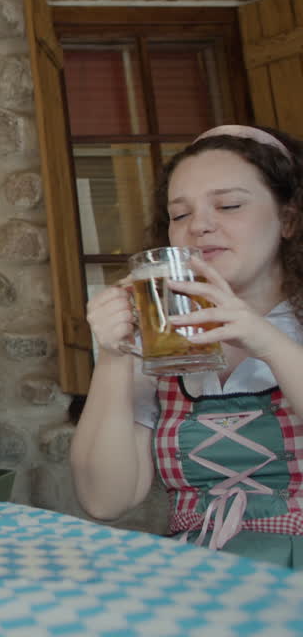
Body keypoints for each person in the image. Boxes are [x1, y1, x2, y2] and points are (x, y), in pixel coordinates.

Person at [70, 125, 303, 568]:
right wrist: (117, 355)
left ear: (288, 218)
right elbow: (104, 500)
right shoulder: (166, 344)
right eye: (179, 214)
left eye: (229, 205)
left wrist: (264, 341)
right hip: (198, 575)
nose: (199, 225)